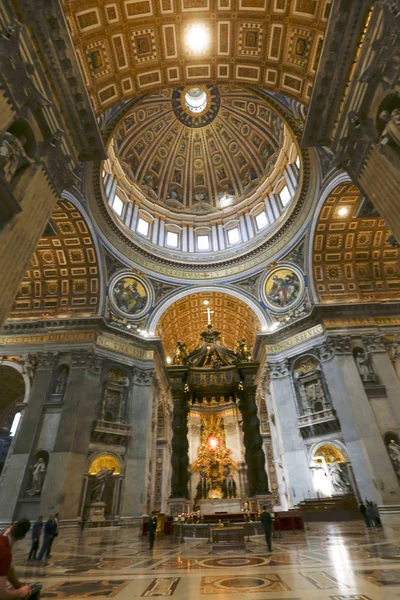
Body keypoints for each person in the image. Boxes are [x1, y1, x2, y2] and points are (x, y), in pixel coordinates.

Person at [0, 518, 31, 598]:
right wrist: (21, 592)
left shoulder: (2, 541)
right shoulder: (5, 552)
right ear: (22, 537)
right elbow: (1, 594)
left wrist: (18, 585)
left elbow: (8, 568)